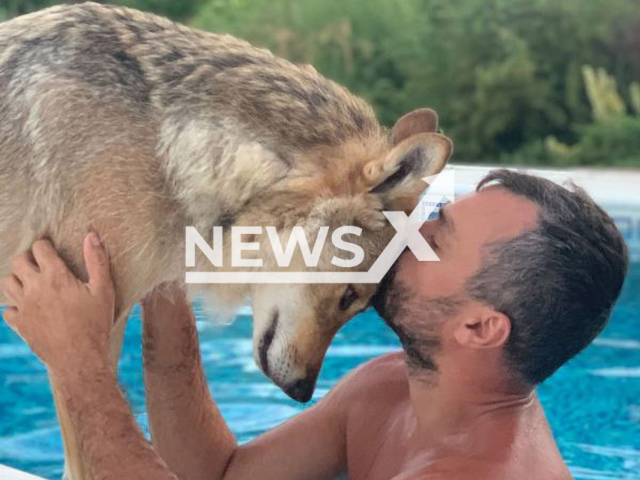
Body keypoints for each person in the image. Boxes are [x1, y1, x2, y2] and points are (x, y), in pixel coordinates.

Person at [1, 170, 628, 480]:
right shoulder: (391, 388)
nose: (403, 229)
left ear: (479, 327)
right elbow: (220, 475)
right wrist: (166, 275)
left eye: (437, 234)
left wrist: (79, 367)